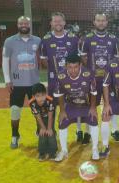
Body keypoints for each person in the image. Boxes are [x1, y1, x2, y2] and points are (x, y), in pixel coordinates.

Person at [39, 12, 82, 141]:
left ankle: (79, 130)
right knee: (53, 105)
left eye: (60, 21)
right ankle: (52, 130)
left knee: (76, 103)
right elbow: (43, 60)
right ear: (51, 23)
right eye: (55, 21)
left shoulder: (73, 38)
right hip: (54, 80)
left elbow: (78, 59)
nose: (58, 23)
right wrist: (55, 71)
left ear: (64, 23)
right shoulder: (46, 39)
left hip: (72, 79)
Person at [2, 16, 41, 149]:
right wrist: (7, 80)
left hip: (34, 83)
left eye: (26, 23)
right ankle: (15, 135)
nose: (24, 25)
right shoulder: (9, 41)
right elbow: (5, 60)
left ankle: (39, 131)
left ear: (30, 24)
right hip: (17, 83)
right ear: (17, 25)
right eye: (21, 23)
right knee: (14, 111)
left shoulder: (37, 40)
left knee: (38, 110)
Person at [80, 13, 118, 144]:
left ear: (107, 22)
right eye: (98, 20)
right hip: (93, 80)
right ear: (94, 22)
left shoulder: (114, 39)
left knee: (110, 104)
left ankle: (114, 130)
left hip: (109, 80)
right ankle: (87, 132)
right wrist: (91, 73)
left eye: (103, 21)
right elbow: (84, 58)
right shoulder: (87, 39)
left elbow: (116, 59)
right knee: (91, 105)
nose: (101, 23)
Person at [53, 53, 100, 161]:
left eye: (75, 67)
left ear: (80, 66)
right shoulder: (61, 76)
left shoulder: (88, 74)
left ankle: (94, 148)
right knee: (62, 121)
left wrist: (93, 108)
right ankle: (64, 150)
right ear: (66, 66)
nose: (73, 70)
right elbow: (59, 95)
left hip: (86, 105)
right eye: (70, 67)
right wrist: (62, 111)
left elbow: (93, 93)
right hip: (71, 105)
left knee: (93, 119)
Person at [29, 83, 58, 161]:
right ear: (33, 96)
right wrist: (42, 128)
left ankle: (52, 152)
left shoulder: (50, 101)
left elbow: (51, 115)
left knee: (50, 133)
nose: (41, 98)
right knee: (42, 133)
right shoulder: (32, 103)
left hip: (50, 116)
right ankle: (42, 153)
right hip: (40, 117)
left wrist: (49, 128)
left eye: (42, 95)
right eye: (38, 96)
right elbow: (37, 116)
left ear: (46, 94)